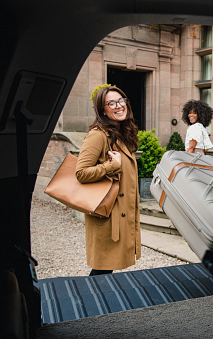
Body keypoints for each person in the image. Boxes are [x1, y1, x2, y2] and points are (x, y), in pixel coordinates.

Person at [76, 86, 141, 276]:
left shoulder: (121, 133)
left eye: (121, 100)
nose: (119, 106)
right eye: (111, 103)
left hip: (119, 213)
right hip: (108, 215)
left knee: (105, 269)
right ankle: (91, 303)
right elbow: (81, 173)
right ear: (103, 109)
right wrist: (111, 166)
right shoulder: (98, 135)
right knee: (102, 269)